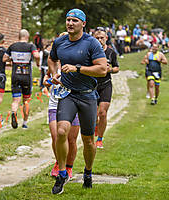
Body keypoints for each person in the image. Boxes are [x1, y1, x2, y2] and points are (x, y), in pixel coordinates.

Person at [48, 8, 107, 194]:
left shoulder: (92, 43)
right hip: (67, 94)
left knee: (88, 140)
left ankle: (88, 172)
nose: (70, 23)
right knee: (61, 130)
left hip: (88, 95)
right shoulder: (60, 42)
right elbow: (51, 59)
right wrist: (54, 74)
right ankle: (62, 172)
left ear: (83, 24)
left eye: (74, 20)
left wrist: (77, 68)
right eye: (68, 20)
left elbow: (102, 70)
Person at [43, 68, 80, 179]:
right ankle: (59, 163)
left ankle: (69, 167)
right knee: (56, 136)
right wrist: (50, 81)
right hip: (55, 105)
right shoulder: (53, 65)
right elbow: (45, 81)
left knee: (71, 140)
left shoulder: (75, 62)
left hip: (73, 105)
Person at [3, 29, 40, 129]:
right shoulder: (31, 46)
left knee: (15, 100)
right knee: (26, 101)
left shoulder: (12, 46)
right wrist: (37, 63)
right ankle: (24, 123)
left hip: (15, 75)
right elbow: (36, 55)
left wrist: (12, 60)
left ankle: (14, 112)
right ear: (27, 37)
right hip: (26, 76)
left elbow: (4, 59)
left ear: (18, 37)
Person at [94, 28, 119, 148]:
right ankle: (95, 125)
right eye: (97, 38)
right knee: (93, 114)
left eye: (102, 38)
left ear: (106, 38)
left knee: (102, 113)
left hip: (106, 84)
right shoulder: (90, 52)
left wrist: (110, 69)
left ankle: (100, 138)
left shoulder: (111, 52)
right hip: (92, 85)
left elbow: (117, 68)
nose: (99, 40)